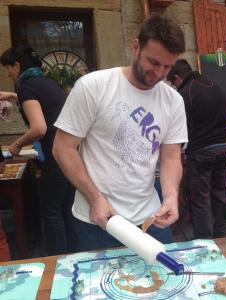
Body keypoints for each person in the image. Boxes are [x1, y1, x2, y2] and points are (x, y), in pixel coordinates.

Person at [52, 14, 187, 252]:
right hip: (97, 220)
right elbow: (63, 148)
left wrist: (170, 196)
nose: (159, 73)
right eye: (154, 63)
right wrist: (95, 198)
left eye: (167, 66)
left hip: (150, 218)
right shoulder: (93, 86)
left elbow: (171, 157)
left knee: (163, 283)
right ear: (135, 47)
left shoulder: (173, 101)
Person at [0, 45, 75, 255]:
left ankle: (58, 262)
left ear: (17, 65)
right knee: (66, 208)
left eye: (8, 68)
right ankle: (72, 255)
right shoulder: (47, 83)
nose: (8, 73)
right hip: (71, 154)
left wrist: (16, 145)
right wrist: (12, 95)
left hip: (55, 154)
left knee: (51, 212)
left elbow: (39, 128)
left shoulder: (27, 88)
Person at [167, 59, 226, 239]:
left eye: (173, 82)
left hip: (202, 151)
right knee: (220, 193)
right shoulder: (215, 84)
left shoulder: (186, 93)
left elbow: (180, 129)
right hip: (225, 147)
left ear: (178, 77)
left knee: (200, 197)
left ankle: (204, 240)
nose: (174, 87)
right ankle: (222, 234)